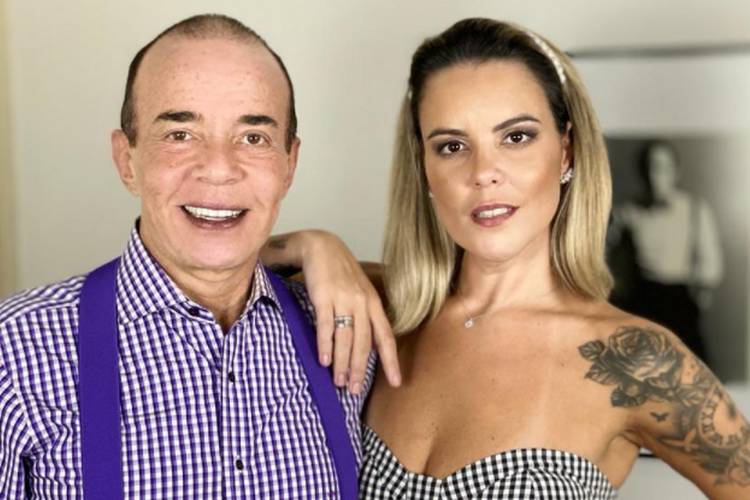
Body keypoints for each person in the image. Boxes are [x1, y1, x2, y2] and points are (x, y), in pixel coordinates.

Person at [268, 18, 750, 499]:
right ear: (424, 168)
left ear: (566, 151)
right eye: (452, 146)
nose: (484, 173)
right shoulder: (374, 305)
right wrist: (313, 245)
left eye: (516, 137)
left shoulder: (634, 360)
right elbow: (225, 270)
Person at [0, 14, 400, 498]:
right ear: (127, 160)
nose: (219, 168)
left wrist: (320, 244)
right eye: (180, 134)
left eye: (253, 138)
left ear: (289, 165)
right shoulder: (14, 354)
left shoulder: (347, 338)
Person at [608, 140, 724, 363]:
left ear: (675, 172)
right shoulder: (628, 213)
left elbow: (711, 262)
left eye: (663, 168)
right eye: (650, 168)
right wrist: (619, 293)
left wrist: (700, 295)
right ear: (642, 173)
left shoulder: (695, 209)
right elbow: (604, 256)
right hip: (643, 300)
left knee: (693, 374)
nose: (656, 176)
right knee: (639, 373)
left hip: (681, 300)